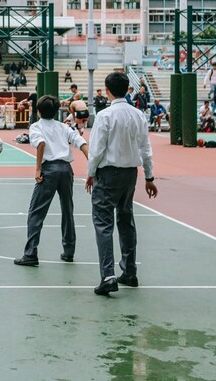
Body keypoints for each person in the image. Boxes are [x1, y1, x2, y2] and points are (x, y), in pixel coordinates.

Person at [86, 71, 158, 296]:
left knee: (103, 222)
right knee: (126, 220)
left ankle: (108, 276)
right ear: (128, 89)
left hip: (108, 173)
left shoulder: (104, 115)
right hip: (130, 174)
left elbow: (97, 149)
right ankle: (129, 271)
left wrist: (90, 173)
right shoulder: (138, 115)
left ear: (107, 91)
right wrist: (149, 177)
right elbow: (145, 149)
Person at [14, 95, 89, 267]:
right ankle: (69, 251)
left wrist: (37, 169)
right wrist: (91, 163)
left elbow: (40, 144)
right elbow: (80, 142)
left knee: (36, 212)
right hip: (66, 169)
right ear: (56, 112)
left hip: (49, 170)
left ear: (38, 111)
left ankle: (30, 253)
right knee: (67, 210)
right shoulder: (63, 127)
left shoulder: (36, 126)